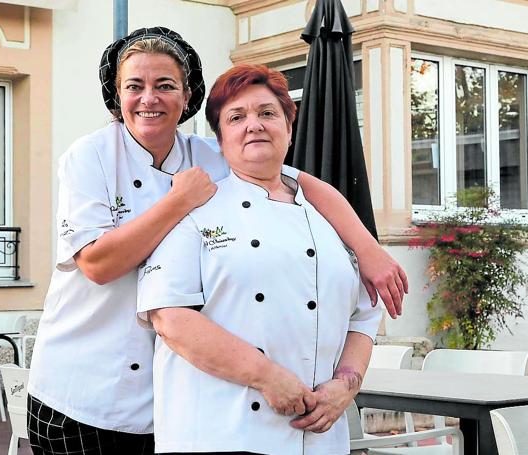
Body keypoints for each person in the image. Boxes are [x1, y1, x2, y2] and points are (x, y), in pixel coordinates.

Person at [28, 26, 404, 455]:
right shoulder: (89, 156)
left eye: (165, 86)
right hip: (83, 388)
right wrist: (178, 202)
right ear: (117, 97)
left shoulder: (207, 154)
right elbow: (97, 266)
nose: (148, 99)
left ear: (187, 97)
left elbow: (300, 182)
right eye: (134, 86)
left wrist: (368, 248)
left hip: (163, 398)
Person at [137, 64, 380, 455]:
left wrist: (345, 387)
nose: (254, 125)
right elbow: (170, 317)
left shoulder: (329, 215)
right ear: (219, 139)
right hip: (220, 434)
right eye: (236, 117)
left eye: (267, 113)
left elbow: (364, 314)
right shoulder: (196, 211)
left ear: (288, 124)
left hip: (318, 437)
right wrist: (267, 377)